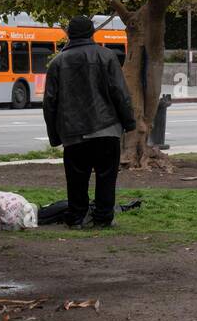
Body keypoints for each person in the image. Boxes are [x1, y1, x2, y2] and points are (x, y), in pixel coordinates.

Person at [43, 15, 135, 228]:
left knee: (76, 179)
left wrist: (55, 136)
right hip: (107, 128)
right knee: (106, 177)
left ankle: (77, 218)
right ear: (92, 32)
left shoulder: (57, 62)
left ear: (68, 34)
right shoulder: (107, 56)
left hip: (73, 132)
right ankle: (103, 218)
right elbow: (120, 93)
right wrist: (128, 122)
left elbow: (49, 103)